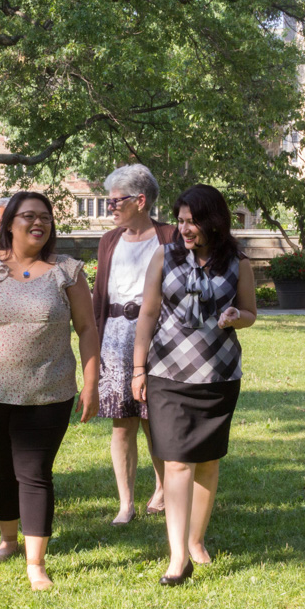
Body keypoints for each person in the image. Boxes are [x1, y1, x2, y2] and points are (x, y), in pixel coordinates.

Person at [0, 192, 99, 591]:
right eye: (28, 216)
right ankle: (9, 540)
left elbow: (87, 329)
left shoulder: (67, 271)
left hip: (48, 391)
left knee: (33, 472)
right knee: (1, 468)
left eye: (44, 217)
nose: (37, 223)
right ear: (9, 223)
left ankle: (36, 563)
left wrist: (92, 382)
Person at [132, 184, 256, 586]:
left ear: (213, 222)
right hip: (167, 372)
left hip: (218, 374)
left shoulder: (238, 262)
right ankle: (176, 556)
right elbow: (148, 314)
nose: (184, 229)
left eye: (192, 222)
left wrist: (238, 316)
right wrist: (138, 370)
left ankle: (197, 539)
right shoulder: (164, 257)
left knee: (207, 459)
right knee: (176, 460)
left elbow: (251, 312)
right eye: (181, 220)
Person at [91, 164, 179, 525]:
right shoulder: (109, 241)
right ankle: (125, 503)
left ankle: (162, 490)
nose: (110, 207)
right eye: (108, 201)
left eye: (116, 201)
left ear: (141, 201)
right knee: (122, 422)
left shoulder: (170, 237)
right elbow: (98, 296)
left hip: (160, 338)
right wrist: (94, 348)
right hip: (114, 337)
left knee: (155, 419)